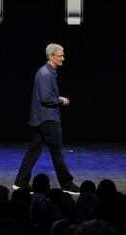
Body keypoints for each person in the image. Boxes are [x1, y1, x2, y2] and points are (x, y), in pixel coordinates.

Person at [14, 43, 80, 194]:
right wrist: (60, 100)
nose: (63, 58)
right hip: (47, 119)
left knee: (33, 150)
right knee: (57, 152)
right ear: (51, 56)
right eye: (60, 55)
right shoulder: (45, 74)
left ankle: (20, 182)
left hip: (42, 118)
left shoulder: (48, 72)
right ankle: (67, 184)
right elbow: (45, 98)